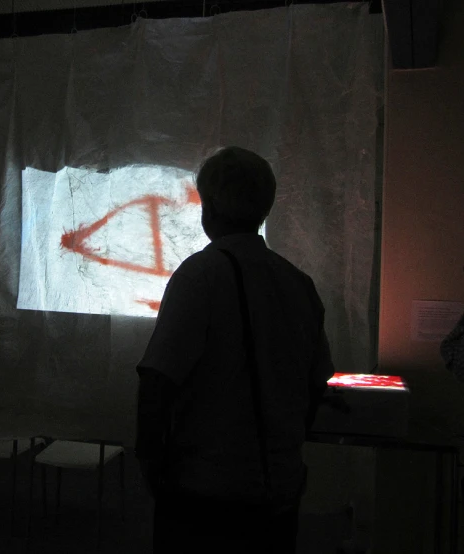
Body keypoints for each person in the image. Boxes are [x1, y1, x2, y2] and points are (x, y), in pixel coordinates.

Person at [135, 146, 335, 553]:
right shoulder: (298, 283)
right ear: (264, 207)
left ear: (208, 209)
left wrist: (152, 465)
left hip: (205, 493)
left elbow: (159, 379)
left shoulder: (200, 275)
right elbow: (317, 386)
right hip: (277, 492)